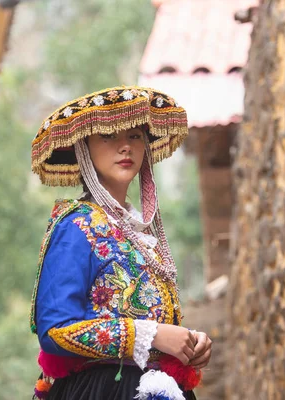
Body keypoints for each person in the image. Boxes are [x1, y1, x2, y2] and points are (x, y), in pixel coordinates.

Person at [29, 86, 212, 400]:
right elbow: (54, 330)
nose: (125, 147)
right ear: (84, 147)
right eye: (109, 135)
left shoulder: (139, 229)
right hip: (102, 391)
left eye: (135, 136)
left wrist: (187, 344)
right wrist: (150, 334)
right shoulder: (77, 225)